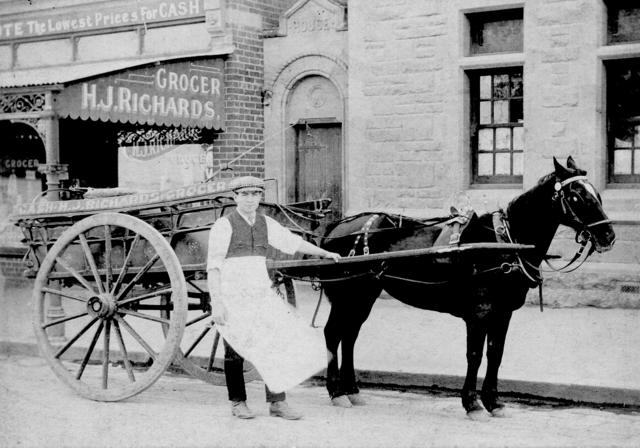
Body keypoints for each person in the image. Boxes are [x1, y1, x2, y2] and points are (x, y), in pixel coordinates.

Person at [207, 175, 341, 420]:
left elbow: (293, 242)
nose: (250, 199)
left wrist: (325, 252)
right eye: (244, 194)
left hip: (260, 293)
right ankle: (238, 402)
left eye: (255, 194)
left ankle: (277, 403)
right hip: (233, 295)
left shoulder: (266, 223)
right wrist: (217, 303)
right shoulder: (224, 226)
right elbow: (214, 267)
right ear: (234, 197)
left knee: (273, 347)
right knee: (235, 350)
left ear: (260, 197)